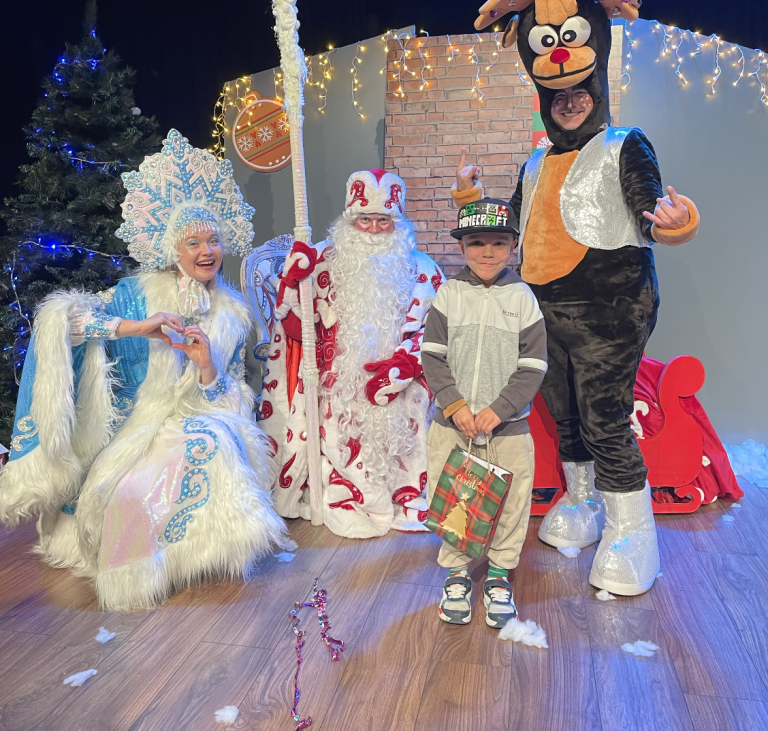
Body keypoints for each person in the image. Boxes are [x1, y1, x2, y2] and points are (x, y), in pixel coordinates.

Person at [458, 0, 700, 596]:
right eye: (557, 97)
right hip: (545, 314)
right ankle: (584, 499)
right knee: (563, 410)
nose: (567, 98)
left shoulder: (625, 143)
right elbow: (510, 225)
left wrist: (675, 221)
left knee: (603, 416)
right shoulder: (535, 159)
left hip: (609, 308)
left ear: (596, 76)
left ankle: (633, 530)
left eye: (577, 92)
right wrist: (471, 201)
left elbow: (650, 207)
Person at [0, 129, 288, 611]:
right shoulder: (135, 294)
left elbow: (234, 398)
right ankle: (136, 573)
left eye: (214, 240)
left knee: (211, 443)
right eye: (193, 242)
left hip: (200, 418)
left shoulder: (234, 314)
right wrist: (139, 327)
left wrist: (207, 366)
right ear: (173, 249)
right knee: (131, 491)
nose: (206, 251)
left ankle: (194, 558)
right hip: (136, 424)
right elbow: (67, 324)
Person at [259, 169, 446, 538]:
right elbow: (295, 332)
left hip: (401, 377)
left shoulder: (424, 271)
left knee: (413, 404)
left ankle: (402, 495)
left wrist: (405, 365)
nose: (374, 229)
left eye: (383, 220)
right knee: (336, 407)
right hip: (338, 374)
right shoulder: (320, 262)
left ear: (398, 222)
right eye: (365, 219)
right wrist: (293, 284)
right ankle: (346, 495)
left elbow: (438, 333)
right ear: (349, 220)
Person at [422, 200, 547, 628]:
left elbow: (534, 364)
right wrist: (454, 404)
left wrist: (500, 409)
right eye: (477, 243)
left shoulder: (523, 298)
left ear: (513, 246)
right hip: (452, 427)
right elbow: (432, 355)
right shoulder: (449, 294)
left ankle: (498, 576)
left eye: (498, 243)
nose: (487, 252)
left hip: (508, 430)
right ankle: (457, 575)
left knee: (512, 503)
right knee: (452, 499)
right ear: (462, 247)